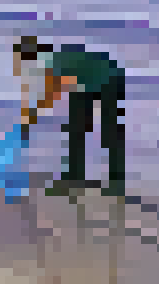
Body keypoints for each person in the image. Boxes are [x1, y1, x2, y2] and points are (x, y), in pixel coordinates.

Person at [19, 36, 128, 197]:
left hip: (109, 80)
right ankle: (75, 179)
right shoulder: (53, 56)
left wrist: (31, 117)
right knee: (76, 130)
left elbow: (51, 93)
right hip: (85, 83)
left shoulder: (50, 61)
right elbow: (58, 89)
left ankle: (115, 183)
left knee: (109, 131)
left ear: (30, 54)